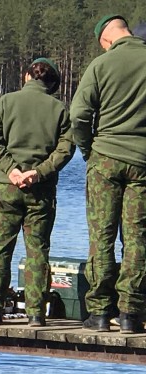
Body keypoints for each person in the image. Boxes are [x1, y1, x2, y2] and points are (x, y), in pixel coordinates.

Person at [0, 58, 75, 327]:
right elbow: (66, 149)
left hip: (6, 188)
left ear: (26, 78)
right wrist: (39, 172)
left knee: (1, 249)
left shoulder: (6, 102)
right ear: (52, 84)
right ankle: (36, 313)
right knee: (37, 251)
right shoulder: (59, 109)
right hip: (41, 192)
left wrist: (11, 170)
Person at [70, 15, 146, 334]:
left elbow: (78, 116)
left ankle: (100, 313)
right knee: (137, 238)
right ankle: (131, 313)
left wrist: (90, 151)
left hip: (105, 159)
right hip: (142, 161)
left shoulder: (101, 65)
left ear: (105, 40)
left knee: (101, 237)